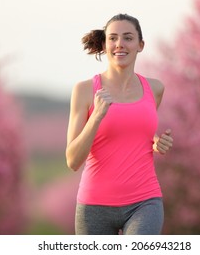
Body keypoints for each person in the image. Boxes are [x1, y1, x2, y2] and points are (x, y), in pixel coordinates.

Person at [65, 13, 173, 235]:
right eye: (113, 38)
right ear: (104, 45)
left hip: (145, 201)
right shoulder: (84, 90)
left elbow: (135, 130)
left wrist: (155, 143)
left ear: (140, 45)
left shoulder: (155, 89)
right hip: (94, 206)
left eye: (128, 38)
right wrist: (96, 117)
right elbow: (73, 160)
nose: (119, 44)